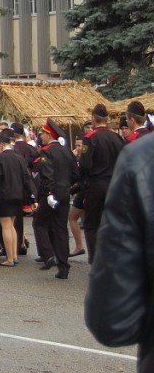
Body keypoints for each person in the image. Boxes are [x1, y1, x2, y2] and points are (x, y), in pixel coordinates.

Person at [84, 132, 154, 373]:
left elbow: (113, 322)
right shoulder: (127, 146)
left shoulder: (143, 156)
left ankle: (90, 255)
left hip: (99, 188)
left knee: (89, 226)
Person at [78, 104, 124, 264]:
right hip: (114, 185)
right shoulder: (117, 138)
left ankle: (96, 259)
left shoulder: (90, 138)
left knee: (91, 224)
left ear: (93, 119)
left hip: (96, 185)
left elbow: (85, 164)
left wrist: (81, 186)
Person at [31, 119, 77, 279]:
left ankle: (48, 254)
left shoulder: (46, 151)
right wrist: (68, 188)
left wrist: (50, 192)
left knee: (38, 222)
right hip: (64, 193)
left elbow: (47, 173)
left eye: (42, 133)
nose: (40, 136)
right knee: (61, 228)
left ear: (49, 134)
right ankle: (63, 267)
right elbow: (75, 174)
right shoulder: (66, 151)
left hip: (50, 194)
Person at [0, 131, 36, 267]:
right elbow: (27, 177)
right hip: (18, 195)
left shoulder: (0, 158)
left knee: (6, 226)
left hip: (4, 195)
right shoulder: (19, 157)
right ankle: (14, 255)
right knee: (12, 225)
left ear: (2, 145)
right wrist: (33, 196)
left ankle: (9, 258)